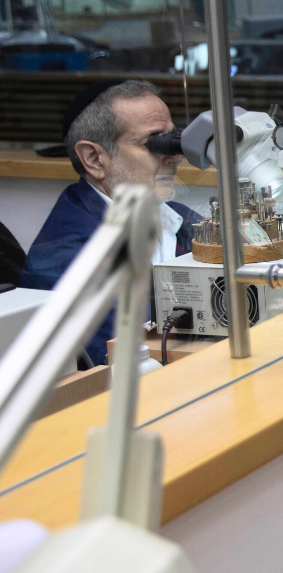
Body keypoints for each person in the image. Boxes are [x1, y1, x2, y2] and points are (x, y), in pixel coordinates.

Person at [20, 80, 199, 365]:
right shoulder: (71, 258)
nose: (175, 155)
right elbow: (121, 367)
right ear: (94, 159)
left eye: (173, 138)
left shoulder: (175, 216)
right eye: (154, 142)